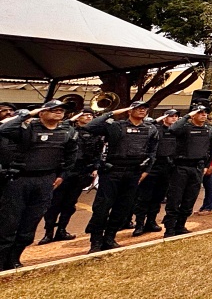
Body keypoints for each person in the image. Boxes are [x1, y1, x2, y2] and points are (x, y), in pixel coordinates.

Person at [0, 100, 77, 270]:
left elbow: (72, 156)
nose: (58, 112)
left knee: (30, 224)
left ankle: (14, 259)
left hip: (45, 181)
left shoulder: (67, 131)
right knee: (9, 224)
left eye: (61, 110)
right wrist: (28, 114)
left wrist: (62, 176)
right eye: (53, 110)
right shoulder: (27, 128)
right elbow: (3, 129)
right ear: (41, 112)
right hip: (20, 180)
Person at [84, 101, 159, 253]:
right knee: (102, 208)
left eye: (144, 108)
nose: (142, 111)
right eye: (138, 108)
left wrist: (146, 171)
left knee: (123, 208)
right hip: (112, 172)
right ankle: (96, 241)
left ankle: (110, 238)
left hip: (133, 173)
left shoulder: (150, 129)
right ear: (129, 110)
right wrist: (114, 113)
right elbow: (89, 127)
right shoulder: (116, 126)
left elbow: (152, 152)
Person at [39, 107, 102, 245]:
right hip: (64, 171)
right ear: (78, 117)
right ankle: (48, 233)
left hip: (82, 172)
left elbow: (98, 153)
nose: (88, 117)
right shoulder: (68, 130)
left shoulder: (95, 134)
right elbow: (63, 125)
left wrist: (96, 168)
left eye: (90, 115)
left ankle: (62, 230)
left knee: (69, 204)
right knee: (54, 203)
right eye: (84, 115)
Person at [163, 103, 212, 237]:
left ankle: (180, 226)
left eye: (205, 112)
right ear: (193, 115)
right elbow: (172, 129)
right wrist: (187, 116)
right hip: (181, 167)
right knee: (175, 199)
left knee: (189, 199)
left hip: (197, 167)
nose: (204, 115)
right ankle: (170, 229)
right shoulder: (184, 128)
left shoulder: (210, 131)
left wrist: (206, 166)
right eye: (200, 112)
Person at [131, 109, 179, 237]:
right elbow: (148, 123)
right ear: (164, 118)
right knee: (144, 197)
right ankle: (139, 224)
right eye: (171, 116)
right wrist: (161, 118)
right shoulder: (155, 128)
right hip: (153, 166)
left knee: (158, 197)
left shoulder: (177, 131)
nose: (174, 119)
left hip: (167, 167)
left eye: (176, 117)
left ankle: (151, 221)